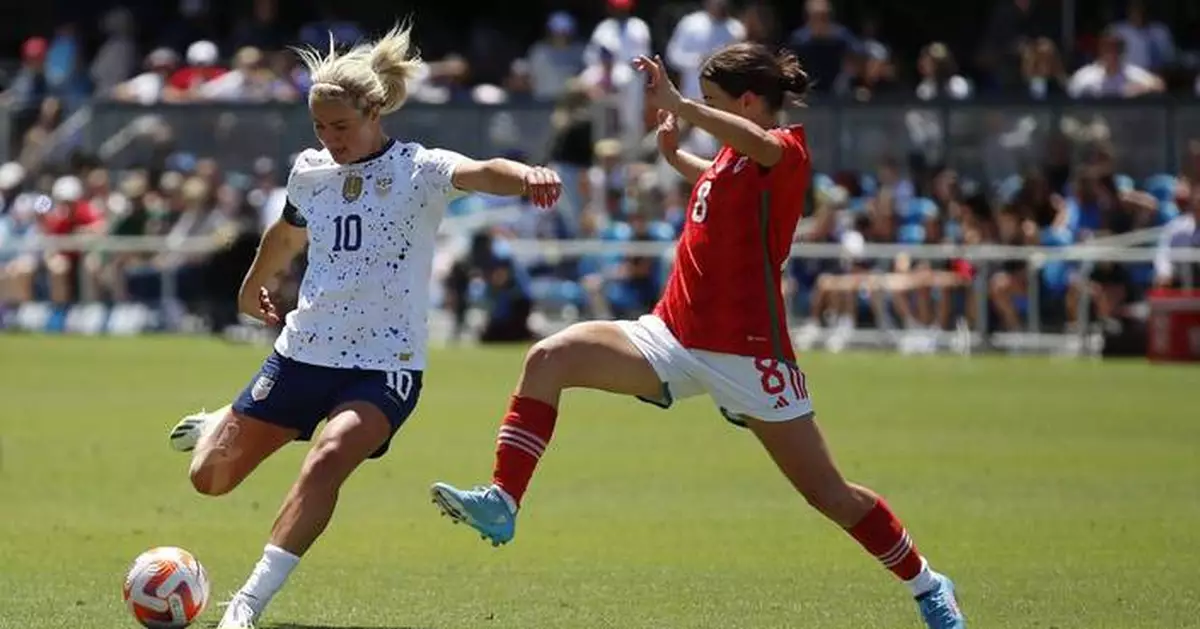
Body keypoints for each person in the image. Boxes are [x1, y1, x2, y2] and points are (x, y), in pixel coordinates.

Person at [430, 43, 966, 629]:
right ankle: (503, 501)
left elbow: (756, 148)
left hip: (749, 354)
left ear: (749, 102)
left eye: (716, 102)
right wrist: (675, 154)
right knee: (549, 357)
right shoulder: (733, 161)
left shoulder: (783, 149)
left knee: (829, 495)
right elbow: (716, 180)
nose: (705, 113)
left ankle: (928, 583)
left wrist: (683, 105)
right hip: (672, 335)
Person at [164, 23, 562, 629]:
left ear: (374, 111)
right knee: (208, 479)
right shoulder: (310, 170)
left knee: (328, 458)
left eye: (341, 127)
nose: (330, 139)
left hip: (384, 366)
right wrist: (253, 285)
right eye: (320, 127)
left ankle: (246, 603)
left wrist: (528, 174)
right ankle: (225, 416)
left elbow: (484, 171)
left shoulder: (419, 170)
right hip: (301, 353)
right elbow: (287, 231)